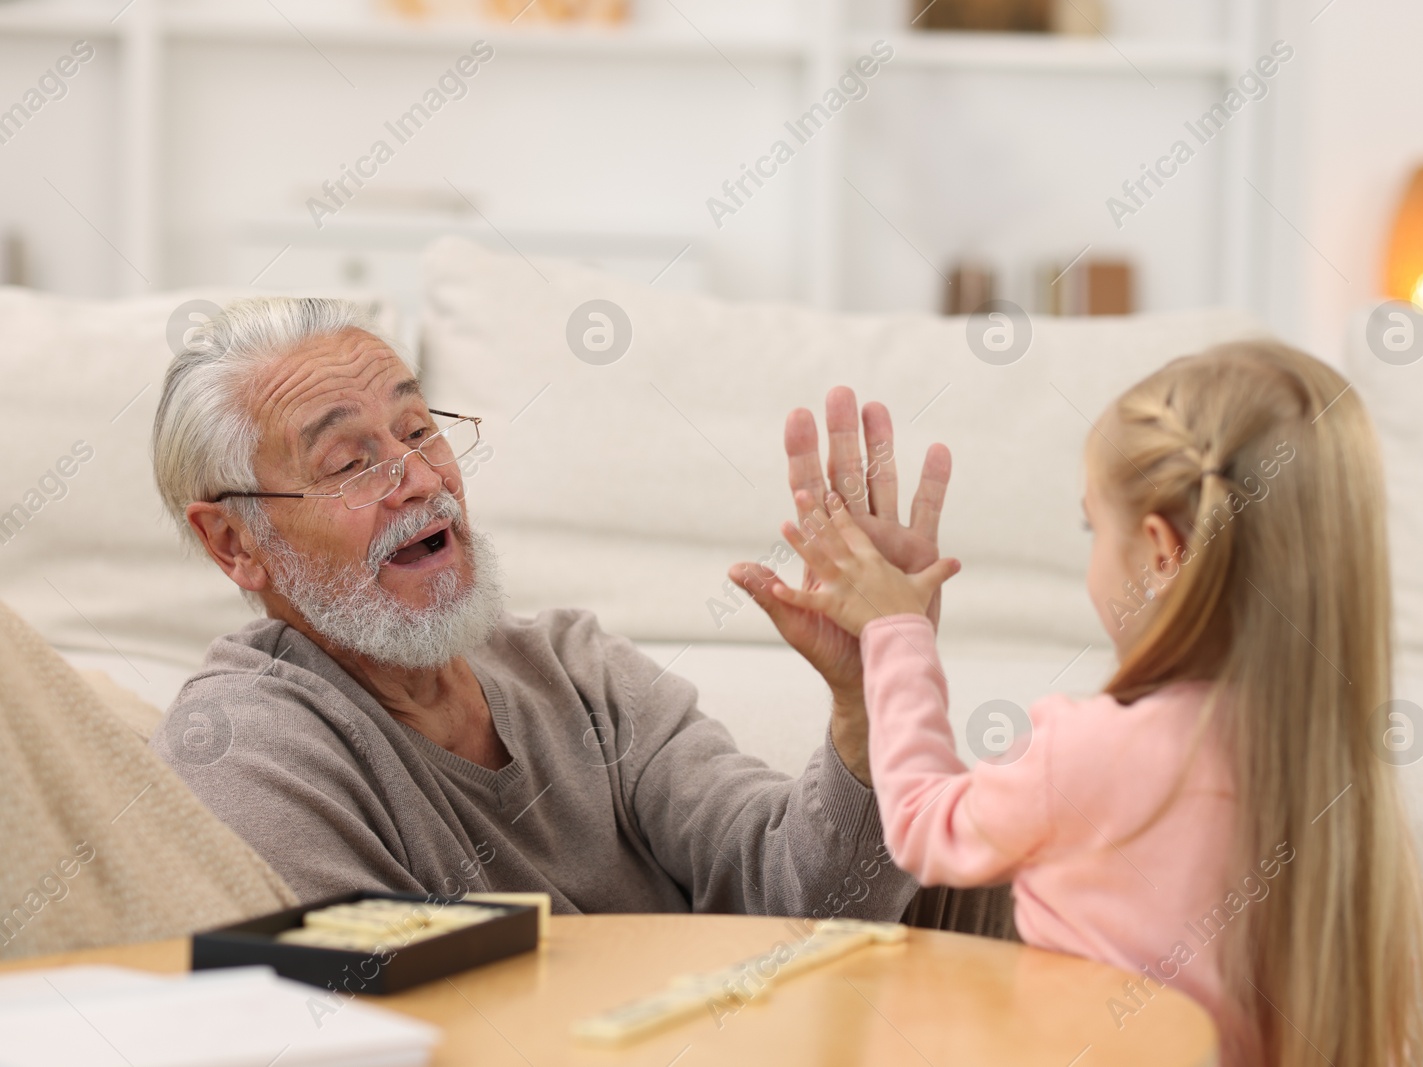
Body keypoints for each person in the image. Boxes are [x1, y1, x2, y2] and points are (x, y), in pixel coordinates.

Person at [147, 296, 951, 923]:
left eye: (419, 428)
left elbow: (808, 902)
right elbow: (373, 1027)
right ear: (233, 542)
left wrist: (869, 698)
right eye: (351, 462)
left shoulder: (577, 667)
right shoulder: (244, 752)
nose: (423, 478)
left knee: (984, 854)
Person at [757, 341, 1423, 1066]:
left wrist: (895, 633)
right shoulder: (1349, 794)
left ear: (1161, 552)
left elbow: (923, 824)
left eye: (1093, 527)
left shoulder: (1088, 751)